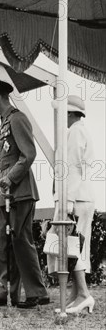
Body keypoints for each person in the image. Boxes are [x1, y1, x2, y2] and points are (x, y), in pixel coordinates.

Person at [0, 80, 49, 309]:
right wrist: (4, 181)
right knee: (4, 242)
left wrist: (10, 178)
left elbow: (28, 154)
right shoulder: (3, 124)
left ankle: (37, 292)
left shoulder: (17, 119)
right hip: (5, 190)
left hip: (19, 190)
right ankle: (6, 292)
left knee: (20, 240)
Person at [50, 95, 96, 314]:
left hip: (76, 197)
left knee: (72, 246)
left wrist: (67, 200)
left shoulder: (76, 131)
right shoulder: (77, 130)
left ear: (68, 113)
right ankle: (76, 294)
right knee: (74, 246)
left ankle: (84, 295)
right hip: (78, 196)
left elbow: (73, 167)